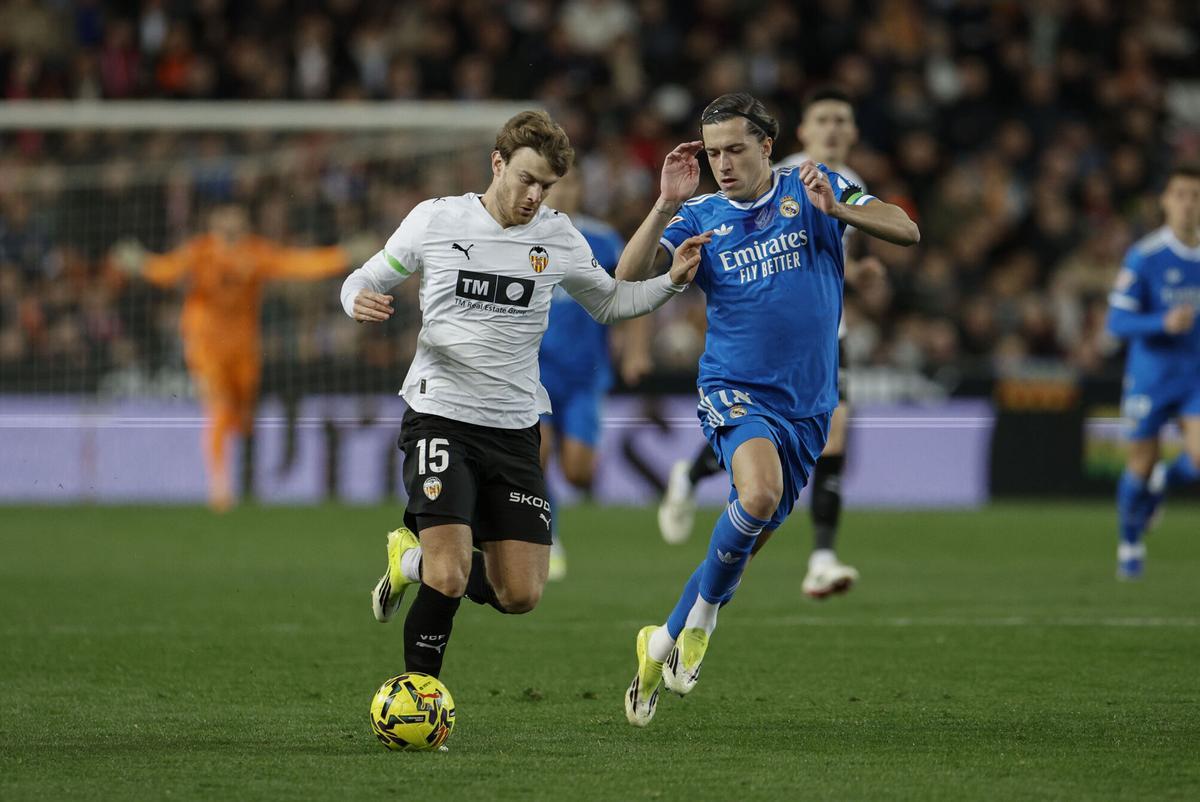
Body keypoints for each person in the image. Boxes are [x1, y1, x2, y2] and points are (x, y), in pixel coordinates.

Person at [343, 110, 708, 683]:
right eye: (526, 179)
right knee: (452, 572)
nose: (534, 195)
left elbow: (610, 304)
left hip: (515, 429)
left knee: (520, 593)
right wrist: (356, 299)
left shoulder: (558, 236)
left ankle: (406, 559)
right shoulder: (436, 220)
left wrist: (670, 283)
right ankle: (419, 692)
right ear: (497, 164)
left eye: (546, 185)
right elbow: (363, 277)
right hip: (440, 416)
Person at [615, 93, 919, 727]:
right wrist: (665, 205)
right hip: (735, 386)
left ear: (766, 147)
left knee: (749, 536)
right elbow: (625, 277)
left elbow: (906, 228)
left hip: (808, 403)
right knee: (756, 497)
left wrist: (841, 212)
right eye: (714, 152)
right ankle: (702, 622)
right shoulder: (698, 212)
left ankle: (664, 638)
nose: (723, 163)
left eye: (735, 149)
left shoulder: (812, 190)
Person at [656, 87, 885, 600]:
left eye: (840, 120)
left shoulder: (847, 183)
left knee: (825, 442)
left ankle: (819, 556)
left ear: (852, 131)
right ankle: (694, 477)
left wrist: (861, 272)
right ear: (797, 134)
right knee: (770, 456)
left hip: (825, 342)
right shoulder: (782, 177)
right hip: (759, 355)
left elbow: (816, 262)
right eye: (821, 119)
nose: (831, 129)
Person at [112, 203, 355, 511]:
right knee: (218, 407)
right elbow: (167, 271)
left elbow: (298, 264)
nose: (231, 223)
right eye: (224, 217)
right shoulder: (200, 252)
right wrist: (141, 263)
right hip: (204, 343)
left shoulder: (255, 252)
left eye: (237, 217)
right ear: (214, 222)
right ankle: (219, 485)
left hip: (243, 346)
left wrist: (343, 255)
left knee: (242, 418)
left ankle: (244, 470)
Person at [537, 165, 651, 581]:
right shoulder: (522, 236)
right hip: (533, 374)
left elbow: (634, 292)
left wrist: (636, 352)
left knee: (578, 472)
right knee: (536, 454)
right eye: (553, 185)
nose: (561, 193)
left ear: (581, 187)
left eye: (569, 183)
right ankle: (548, 539)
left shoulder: (602, 240)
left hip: (586, 376)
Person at [1106, 163, 1200, 580]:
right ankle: (1129, 542)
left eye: (1196, 196)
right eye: (1180, 194)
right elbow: (1116, 322)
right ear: (1165, 201)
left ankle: (1166, 475)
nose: (1188, 205)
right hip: (1151, 375)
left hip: (1194, 377)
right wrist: (1161, 323)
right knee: (1139, 462)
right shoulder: (1145, 256)